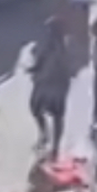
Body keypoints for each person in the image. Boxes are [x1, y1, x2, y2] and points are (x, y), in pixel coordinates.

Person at [30, 19, 71, 155]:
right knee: (49, 114)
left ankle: (51, 141)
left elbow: (44, 62)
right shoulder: (56, 46)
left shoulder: (58, 47)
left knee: (41, 110)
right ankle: (51, 141)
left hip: (51, 86)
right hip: (53, 86)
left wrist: (36, 70)